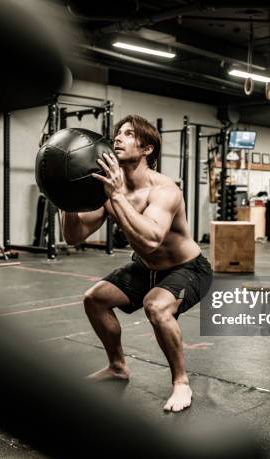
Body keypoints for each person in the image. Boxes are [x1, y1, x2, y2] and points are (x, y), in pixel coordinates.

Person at [61, 115, 213, 413]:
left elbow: (151, 240)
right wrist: (68, 200)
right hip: (145, 268)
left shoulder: (164, 190)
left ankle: (181, 382)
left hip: (188, 269)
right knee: (95, 299)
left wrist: (117, 196)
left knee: (155, 306)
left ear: (147, 149)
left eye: (128, 134)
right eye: (117, 133)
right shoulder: (109, 190)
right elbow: (74, 236)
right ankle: (117, 367)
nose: (118, 138)